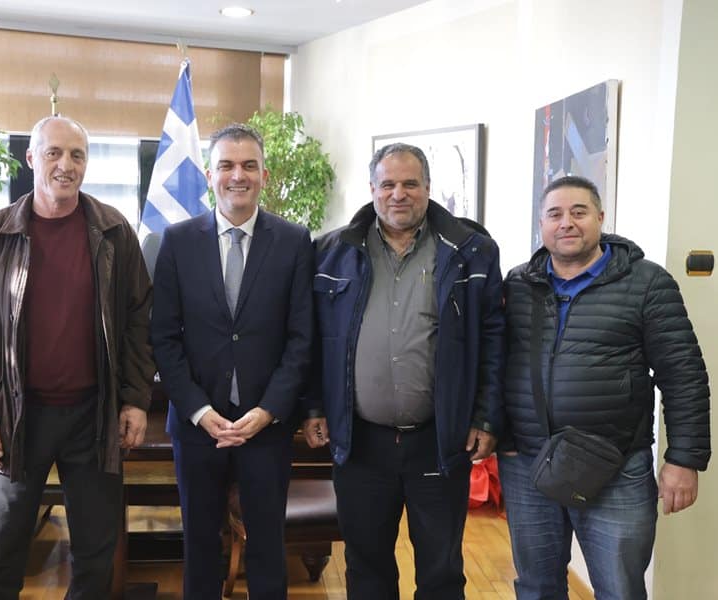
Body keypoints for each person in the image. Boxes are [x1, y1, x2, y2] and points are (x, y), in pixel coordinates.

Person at [0, 115, 155, 599]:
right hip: (14, 415)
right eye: (54, 153)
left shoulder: (114, 232)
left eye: (77, 155)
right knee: (2, 547)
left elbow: (139, 322)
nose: (66, 165)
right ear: (31, 158)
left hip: (94, 415)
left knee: (96, 549)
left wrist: (135, 398)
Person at [303, 142, 506, 599]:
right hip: (361, 443)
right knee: (366, 567)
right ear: (372, 189)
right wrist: (313, 405)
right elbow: (314, 339)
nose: (399, 194)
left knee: (441, 571)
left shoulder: (471, 252)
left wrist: (486, 416)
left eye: (410, 184)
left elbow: (494, 339)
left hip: (439, 441)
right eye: (388, 184)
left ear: (428, 188)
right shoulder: (332, 252)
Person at [498, 175, 710, 600]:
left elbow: (683, 374)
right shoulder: (519, 284)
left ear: (600, 217)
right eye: (555, 214)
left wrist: (683, 459)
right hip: (529, 462)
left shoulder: (647, 283)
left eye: (578, 212)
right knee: (536, 587)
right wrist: (499, 433)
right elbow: (497, 363)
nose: (566, 223)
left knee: (619, 590)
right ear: (541, 224)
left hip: (615, 465)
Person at [150, 123, 313, 599]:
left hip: (267, 427)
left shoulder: (294, 241)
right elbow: (164, 339)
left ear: (264, 174)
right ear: (209, 175)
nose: (237, 176)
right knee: (200, 547)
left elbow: (302, 339)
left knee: (267, 548)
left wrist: (268, 411)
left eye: (248, 166)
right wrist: (200, 411)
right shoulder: (177, 241)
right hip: (199, 427)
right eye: (226, 165)